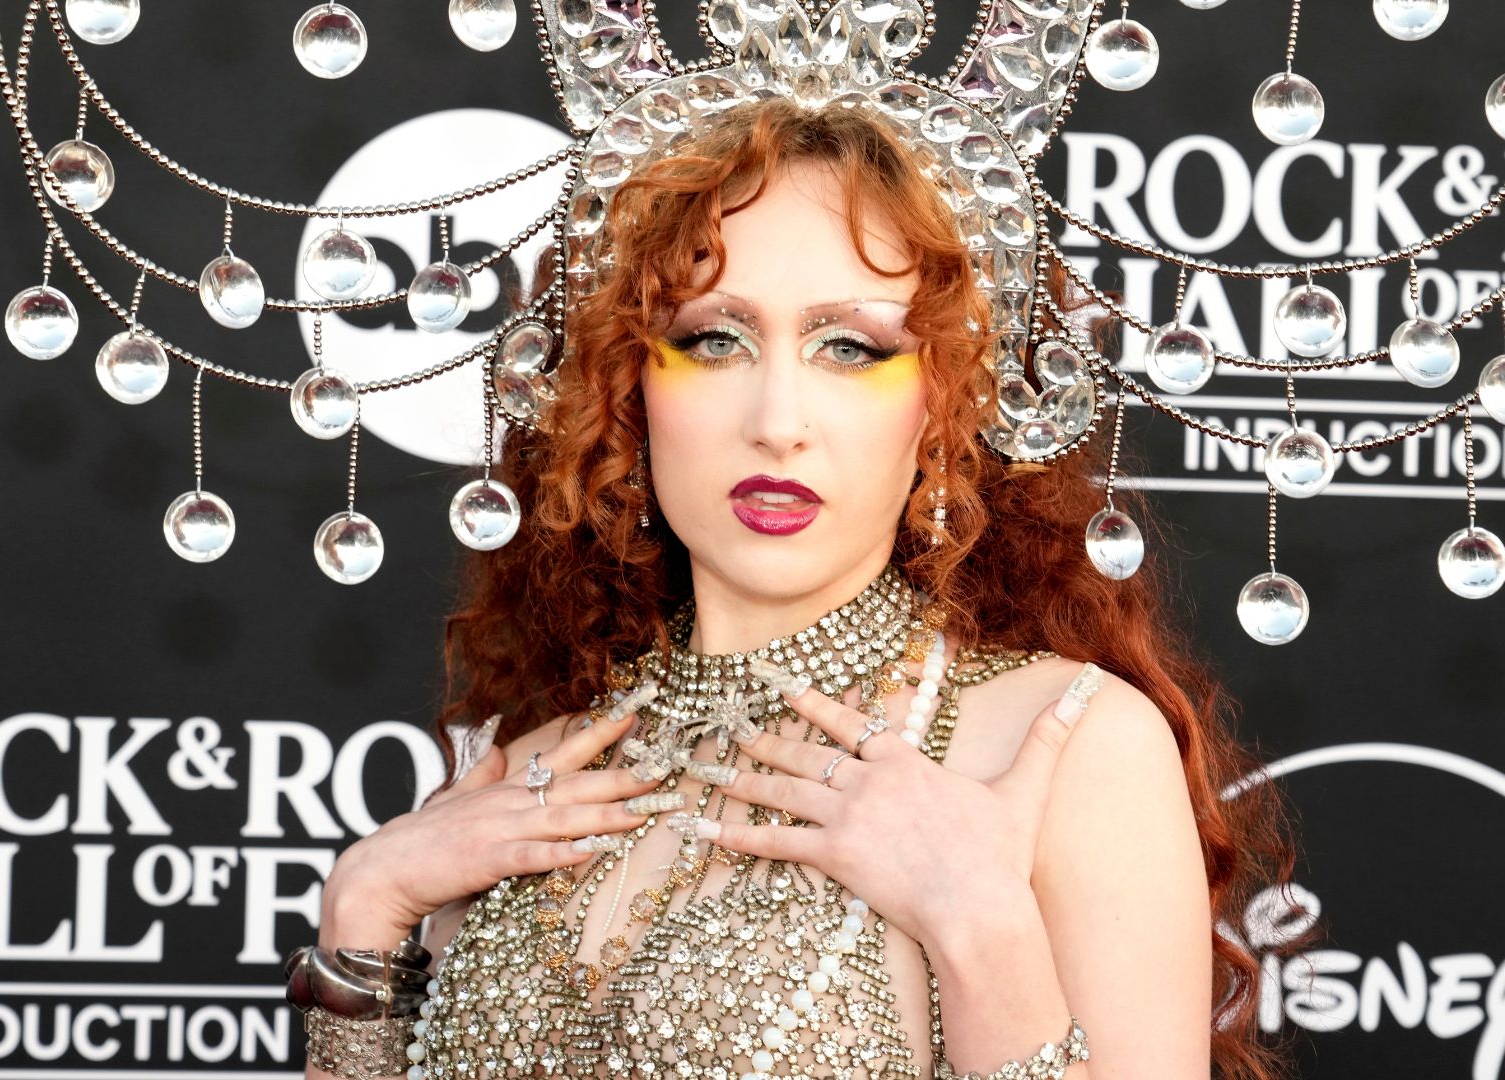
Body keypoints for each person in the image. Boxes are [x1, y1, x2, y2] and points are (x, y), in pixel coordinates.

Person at [307, 99, 1300, 1080]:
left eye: (851, 347)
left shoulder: (1061, 743)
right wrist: (365, 915)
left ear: (947, 401)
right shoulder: (528, 775)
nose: (778, 421)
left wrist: (981, 926)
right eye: (713, 340)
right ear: (625, 387)